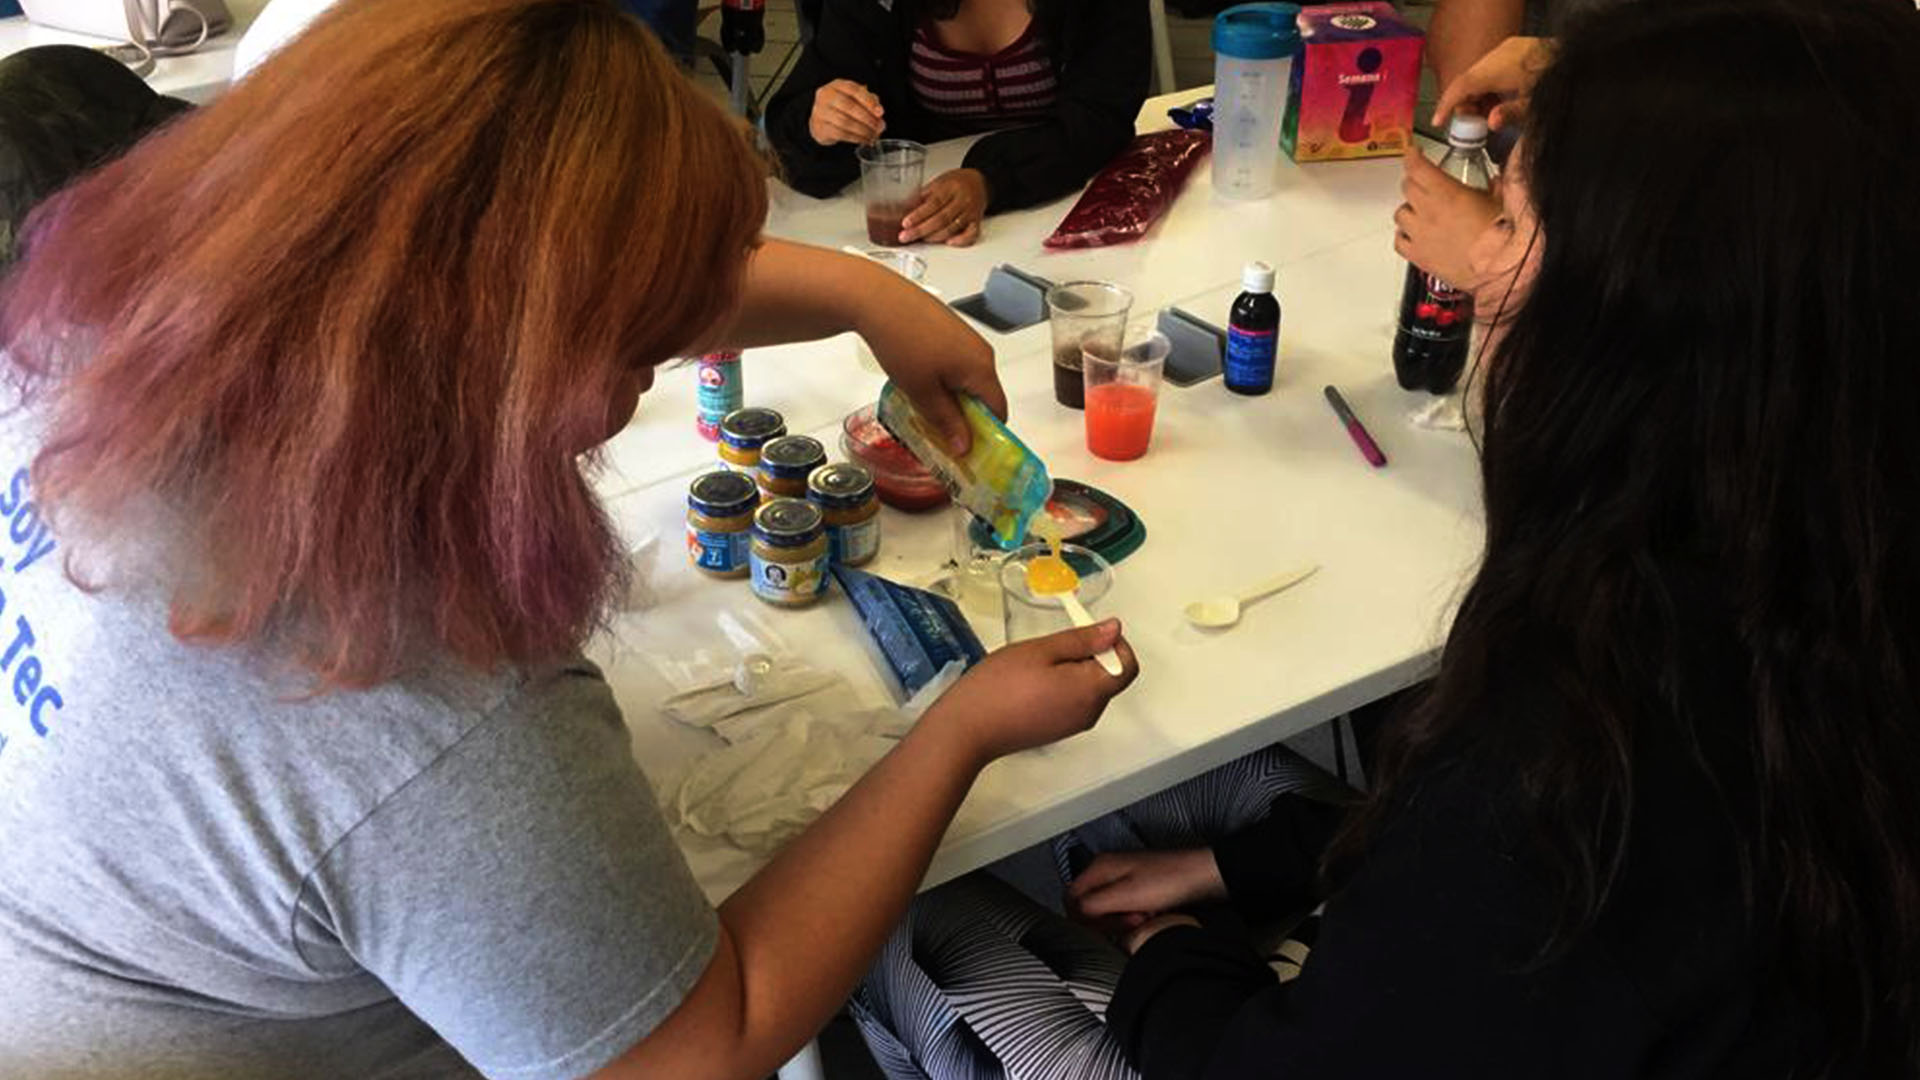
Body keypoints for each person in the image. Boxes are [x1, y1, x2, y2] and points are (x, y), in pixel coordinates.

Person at [0, 2, 1141, 1078]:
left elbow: (535, 269)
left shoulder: (79, 345)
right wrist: (956, 731)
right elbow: (699, 1046)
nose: (640, 382)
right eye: (630, 353)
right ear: (500, 343)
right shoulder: (412, 698)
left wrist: (863, 294)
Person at [857, 1, 1920, 1076]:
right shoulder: (1810, 594)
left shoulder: (1578, 751)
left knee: (901, 918)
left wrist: (1176, 959)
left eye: (1504, 223)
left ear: (1631, 330)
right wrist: (1254, 863)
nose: (1471, 272)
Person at [763, 0, 1151, 246]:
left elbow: (1103, 117)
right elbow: (791, 140)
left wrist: (990, 178)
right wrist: (821, 123)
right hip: (924, 227)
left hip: (1076, 208)